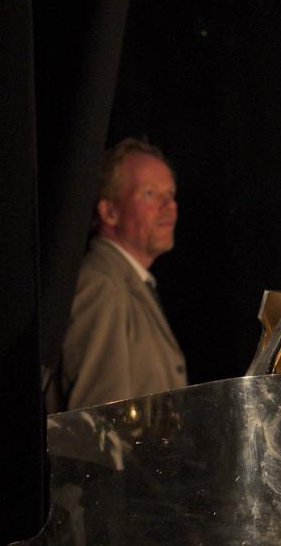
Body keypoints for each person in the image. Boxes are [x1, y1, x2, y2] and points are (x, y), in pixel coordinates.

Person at [51, 137, 186, 412]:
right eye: (150, 194)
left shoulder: (129, 282)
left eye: (170, 194)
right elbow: (101, 417)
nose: (169, 206)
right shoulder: (101, 284)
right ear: (109, 211)